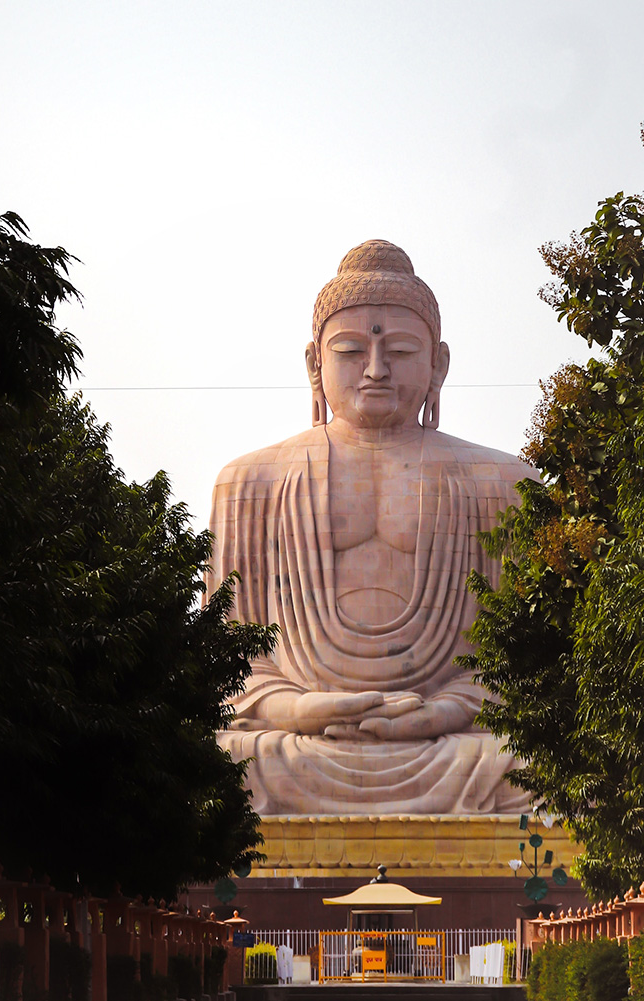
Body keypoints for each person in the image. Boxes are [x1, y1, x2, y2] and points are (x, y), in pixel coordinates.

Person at [207, 240, 533, 815]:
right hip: (301, 746)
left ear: (439, 363)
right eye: (352, 350)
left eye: (403, 351)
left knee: (532, 764)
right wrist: (303, 710)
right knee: (215, 763)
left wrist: (444, 712)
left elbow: (521, 665)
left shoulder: (501, 482)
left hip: (452, 748)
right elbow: (234, 667)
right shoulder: (249, 481)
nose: (377, 370)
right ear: (314, 363)